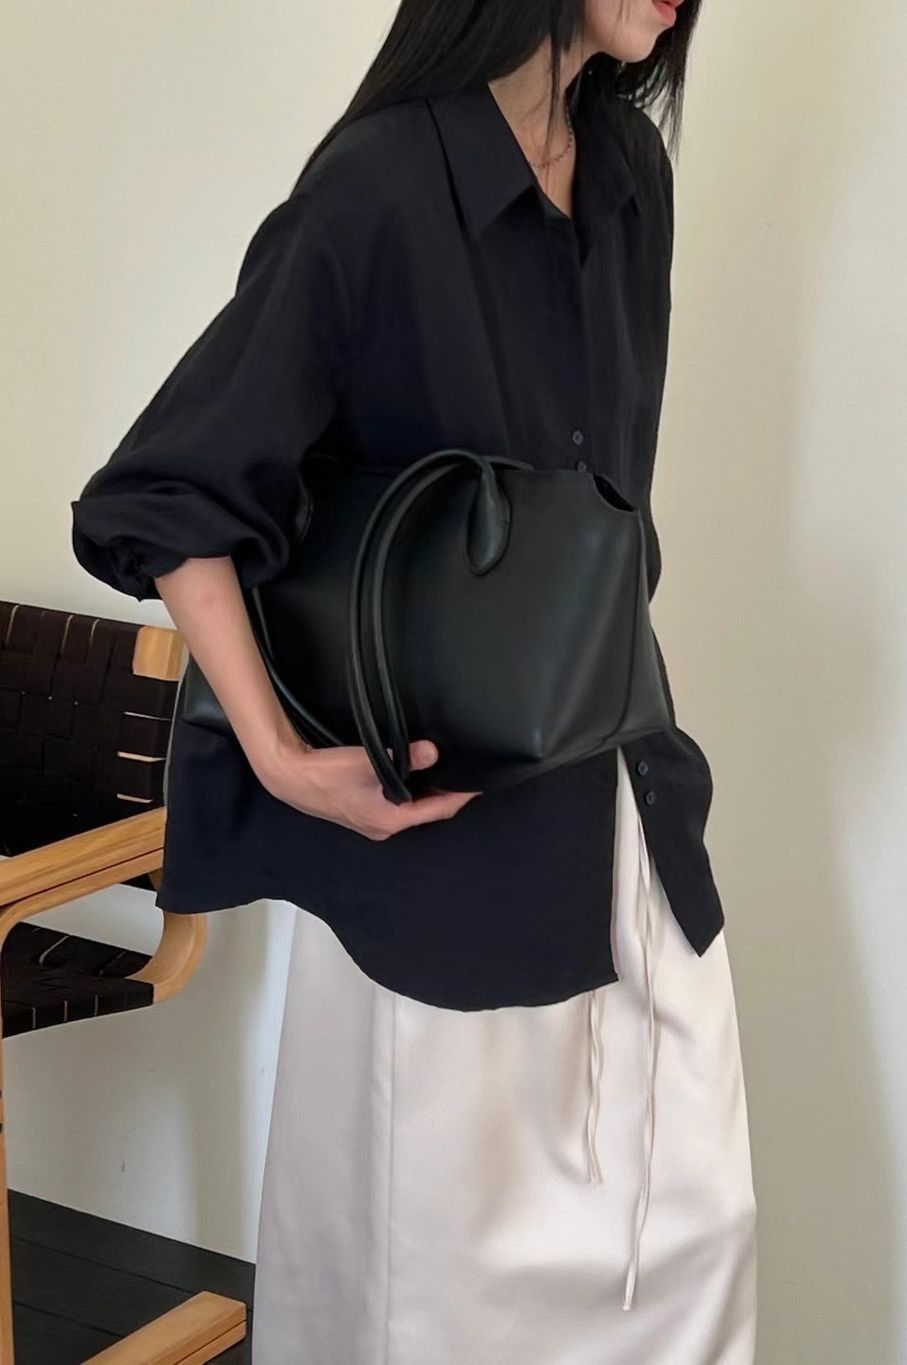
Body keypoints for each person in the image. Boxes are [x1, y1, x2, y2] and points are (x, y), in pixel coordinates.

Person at [70, 1, 758, 1360]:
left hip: (623, 805)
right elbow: (165, 492)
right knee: (437, 1295)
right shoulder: (382, 183)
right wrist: (279, 758)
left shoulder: (630, 173)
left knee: (689, 1244)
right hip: (439, 847)